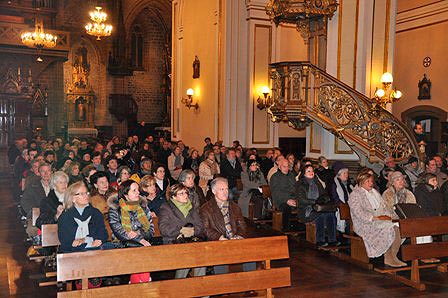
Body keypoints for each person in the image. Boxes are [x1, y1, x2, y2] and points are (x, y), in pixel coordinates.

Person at [200, 177, 256, 281]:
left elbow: (242, 225)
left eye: (226, 189)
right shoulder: (205, 209)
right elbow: (206, 229)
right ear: (213, 191)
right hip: (218, 243)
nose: (226, 192)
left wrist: (238, 236)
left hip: (235, 240)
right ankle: (223, 286)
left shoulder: (234, 207)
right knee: (220, 255)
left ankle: (250, 284)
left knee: (250, 252)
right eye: (222, 189)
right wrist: (220, 237)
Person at [348, 171, 406, 267]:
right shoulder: (355, 195)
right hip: (365, 223)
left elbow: (383, 207)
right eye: (368, 181)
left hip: (378, 220)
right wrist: (373, 218)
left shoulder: (374, 192)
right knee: (389, 229)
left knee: (398, 226)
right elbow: (358, 212)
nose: (371, 183)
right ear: (361, 182)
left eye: (371, 181)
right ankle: (388, 257)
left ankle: (393, 256)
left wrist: (390, 216)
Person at [57, 181, 108, 253]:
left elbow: (103, 233)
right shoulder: (65, 217)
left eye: (86, 193)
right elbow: (66, 242)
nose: (86, 196)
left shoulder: (95, 213)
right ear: (73, 198)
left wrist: (97, 240)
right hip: (72, 254)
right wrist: (88, 243)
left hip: (95, 250)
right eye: (81, 194)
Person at [296, 165, 337, 247]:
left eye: (312, 171)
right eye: (308, 171)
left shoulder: (317, 182)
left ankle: (332, 240)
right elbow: (302, 199)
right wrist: (314, 202)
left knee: (330, 214)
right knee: (320, 215)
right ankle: (320, 240)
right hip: (306, 209)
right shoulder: (300, 184)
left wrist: (322, 200)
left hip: (318, 207)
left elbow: (325, 195)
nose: (311, 173)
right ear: (304, 174)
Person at [108, 180, 154, 247]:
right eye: (134, 190)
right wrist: (140, 239)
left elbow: (151, 230)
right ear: (125, 194)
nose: (138, 192)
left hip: (145, 244)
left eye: (138, 189)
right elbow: (119, 232)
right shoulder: (115, 209)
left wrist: (138, 233)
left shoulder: (143, 207)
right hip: (122, 245)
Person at [269, 159, 297, 230]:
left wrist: (296, 199)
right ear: (279, 167)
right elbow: (276, 192)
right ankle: (286, 230)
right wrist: (287, 200)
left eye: (287, 166)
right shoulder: (275, 177)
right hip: (281, 200)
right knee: (286, 208)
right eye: (284, 167)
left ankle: (300, 228)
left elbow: (296, 188)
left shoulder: (291, 175)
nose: (286, 168)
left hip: (293, 199)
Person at [89, 171, 115, 240]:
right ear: (95, 185)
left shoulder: (114, 194)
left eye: (106, 181)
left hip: (116, 223)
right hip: (101, 227)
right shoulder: (91, 198)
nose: (105, 184)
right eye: (101, 182)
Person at [329, 162, 353, 234]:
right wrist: (344, 205)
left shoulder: (349, 184)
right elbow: (335, 198)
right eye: (344, 173)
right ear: (338, 175)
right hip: (341, 208)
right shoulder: (334, 184)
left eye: (347, 173)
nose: (346, 175)